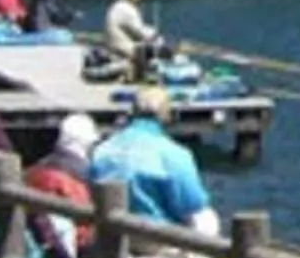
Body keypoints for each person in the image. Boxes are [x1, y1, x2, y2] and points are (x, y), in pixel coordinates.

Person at [88, 86, 218, 241]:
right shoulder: (175, 154)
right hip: (155, 238)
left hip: (110, 235)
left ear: (132, 112)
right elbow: (193, 205)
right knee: (206, 218)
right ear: (167, 116)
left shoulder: (102, 149)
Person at [23, 112, 101, 258]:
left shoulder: (35, 170)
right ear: (87, 144)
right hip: (74, 252)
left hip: (42, 244)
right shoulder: (79, 177)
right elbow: (85, 226)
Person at [103, 0, 162, 78]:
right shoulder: (128, 10)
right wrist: (154, 32)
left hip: (111, 45)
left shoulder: (116, 6)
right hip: (124, 47)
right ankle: (148, 74)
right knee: (156, 46)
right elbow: (140, 32)